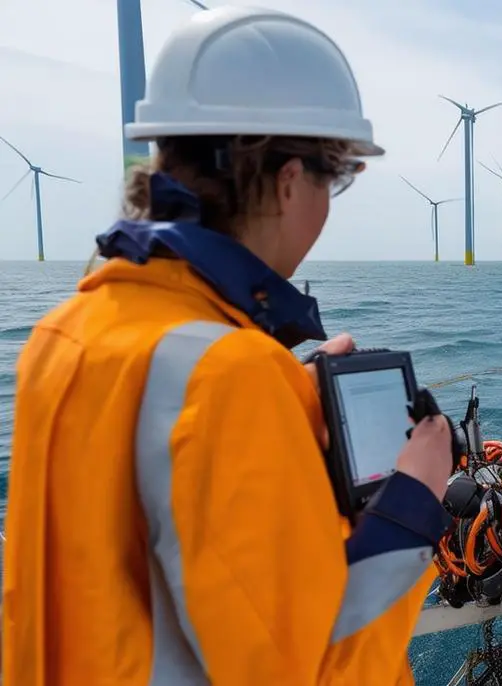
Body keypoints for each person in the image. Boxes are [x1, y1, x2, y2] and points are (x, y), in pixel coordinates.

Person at [2, 7, 454, 685]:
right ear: (290, 179)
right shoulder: (230, 377)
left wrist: (283, 408)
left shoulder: (62, 335)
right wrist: (417, 499)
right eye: (336, 181)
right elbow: (318, 669)